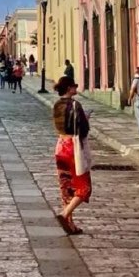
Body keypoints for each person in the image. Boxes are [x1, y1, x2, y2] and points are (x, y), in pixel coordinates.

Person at [52, 75, 91, 235]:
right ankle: (64, 214)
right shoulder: (75, 105)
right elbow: (83, 129)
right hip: (73, 148)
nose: (76, 88)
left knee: (66, 187)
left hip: (60, 146)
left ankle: (70, 224)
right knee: (84, 187)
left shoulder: (57, 104)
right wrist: (86, 119)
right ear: (69, 88)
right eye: (74, 86)